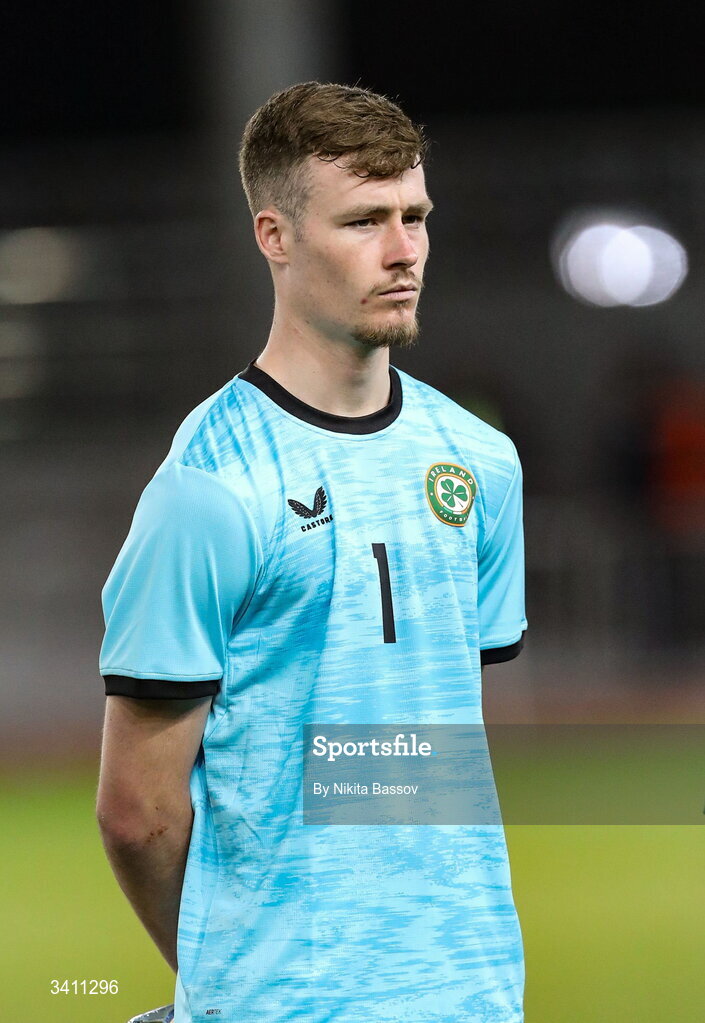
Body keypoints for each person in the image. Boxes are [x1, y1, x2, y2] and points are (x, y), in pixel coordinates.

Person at [96, 81, 528, 1023]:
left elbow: (427, 737)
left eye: (415, 216)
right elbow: (136, 810)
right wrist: (229, 981)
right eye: (364, 220)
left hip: (472, 992)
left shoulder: (480, 461)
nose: (403, 250)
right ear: (275, 236)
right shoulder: (210, 485)